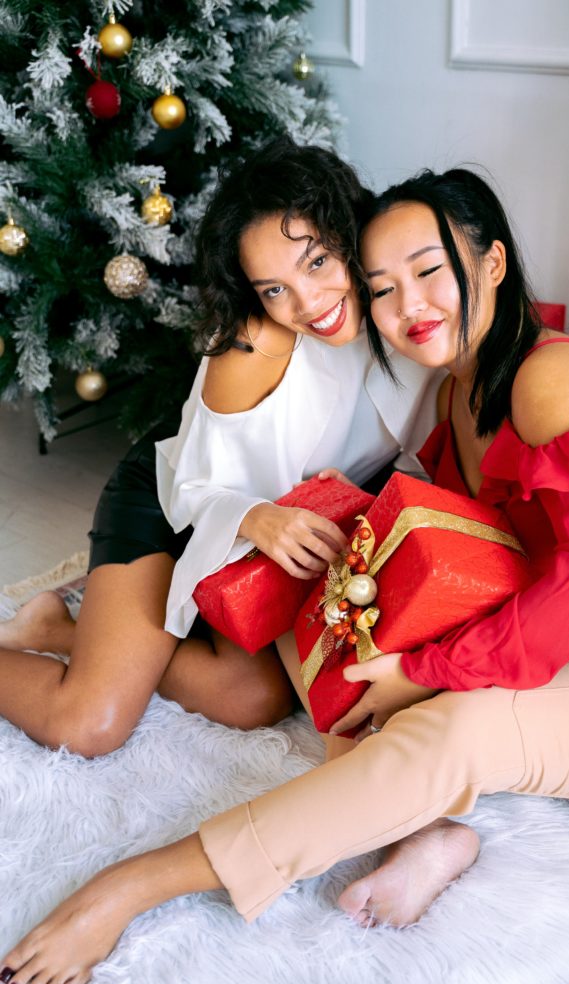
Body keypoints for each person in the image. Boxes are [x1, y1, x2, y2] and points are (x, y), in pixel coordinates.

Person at [4, 165, 569, 984]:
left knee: (382, 705)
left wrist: (428, 667)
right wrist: (287, 537)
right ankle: (80, 643)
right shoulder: (402, 375)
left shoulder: (516, 373)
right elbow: (202, 487)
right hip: (196, 507)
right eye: (383, 286)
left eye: (428, 272)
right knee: (273, 622)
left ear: (492, 263)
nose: (404, 307)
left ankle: (145, 874)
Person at [0, 139, 438, 756]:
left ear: (349, 231)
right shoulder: (253, 344)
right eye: (274, 289)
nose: (308, 305)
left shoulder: (414, 317)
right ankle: (76, 640)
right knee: (88, 724)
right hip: (178, 506)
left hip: (277, 541)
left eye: (315, 263)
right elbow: (194, 487)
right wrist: (258, 516)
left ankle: (60, 630)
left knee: (250, 698)